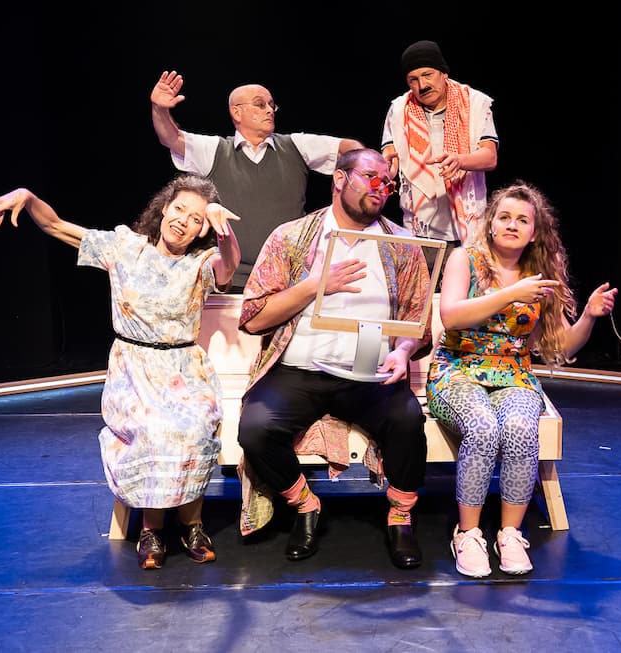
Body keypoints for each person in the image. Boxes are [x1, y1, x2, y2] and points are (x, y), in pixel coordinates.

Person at [0, 175, 242, 571]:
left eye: (196, 219)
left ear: (202, 230)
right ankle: (153, 529)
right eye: (179, 210)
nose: (183, 221)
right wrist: (29, 198)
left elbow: (230, 265)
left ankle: (192, 525)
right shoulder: (125, 248)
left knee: (191, 427)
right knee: (154, 429)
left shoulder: (201, 263)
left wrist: (223, 230)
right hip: (133, 371)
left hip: (185, 372)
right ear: (164, 208)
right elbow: (57, 226)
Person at [236, 148, 432, 569]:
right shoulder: (292, 238)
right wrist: (314, 285)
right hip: (300, 368)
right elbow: (253, 319)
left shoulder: (401, 245)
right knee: (255, 428)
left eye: (387, 183)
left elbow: (417, 321)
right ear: (339, 180)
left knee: (407, 420)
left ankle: (400, 516)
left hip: (370, 370)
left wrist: (402, 351)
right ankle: (305, 505)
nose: (381, 188)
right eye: (371, 177)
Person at [426, 181, 618, 577]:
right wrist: (511, 293)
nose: (512, 225)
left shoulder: (539, 276)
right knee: (482, 427)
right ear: (491, 224)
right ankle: (468, 533)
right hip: (457, 369)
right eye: (504, 217)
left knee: (518, 427)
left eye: (522, 220)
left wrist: (588, 316)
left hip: (513, 373)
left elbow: (559, 345)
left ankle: (510, 533)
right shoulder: (466, 259)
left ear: (534, 232)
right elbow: (452, 316)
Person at [151, 70, 365, 291]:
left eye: (272, 105)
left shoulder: (296, 146)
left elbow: (347, 147)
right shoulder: (216, 150)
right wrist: (160, 108)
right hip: (231, 279)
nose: (269, 110)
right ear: (236, 112)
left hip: (288, 280)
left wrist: (365, 166)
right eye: (260, 105)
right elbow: (172, 137)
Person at [381, 40, 499, 274]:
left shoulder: (475, 103)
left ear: (443, 73)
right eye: (413, 80)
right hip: (419, 233)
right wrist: (387, 170)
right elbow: (390, 156)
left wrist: (460, 161)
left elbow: (489, 157)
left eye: (427, 75)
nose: (422, 85)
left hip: (466, 232)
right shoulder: (399, 110)